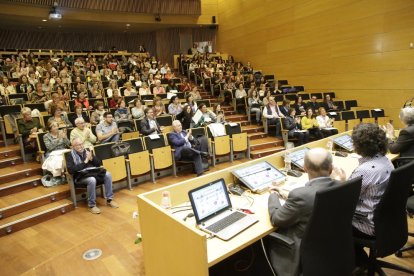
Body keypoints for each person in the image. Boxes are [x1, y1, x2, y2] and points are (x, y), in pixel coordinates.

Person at [267, 148, 338, 276]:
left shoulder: (301, 195)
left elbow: (276, 219)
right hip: (331, 248)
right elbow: (310, 198)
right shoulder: (341, 185)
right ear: (331, 168)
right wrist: (285, 193)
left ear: (304, 168)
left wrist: (273, 195)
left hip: (301, 252)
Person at [335, 123, 394, 269]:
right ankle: (360, 259)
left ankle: (356, 263)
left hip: (366, 225)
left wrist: (341, 181)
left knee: (327, 223)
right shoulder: (385, 161)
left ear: (358, 146)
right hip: (386, 222)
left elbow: (343, 201)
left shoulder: (366, 170)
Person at [66, 138, 119, 214]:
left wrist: (92, 158)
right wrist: (86, 161)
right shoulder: (70, 155)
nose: (81, 146)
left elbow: (98, 163)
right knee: (92, 180)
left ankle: (109, 200)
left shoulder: (87, 152)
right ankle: (92, 205)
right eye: (78, 145)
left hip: (92, 173)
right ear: (73, 146)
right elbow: (71, 170)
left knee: (108, 174)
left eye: (82, 144)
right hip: (80, 177)